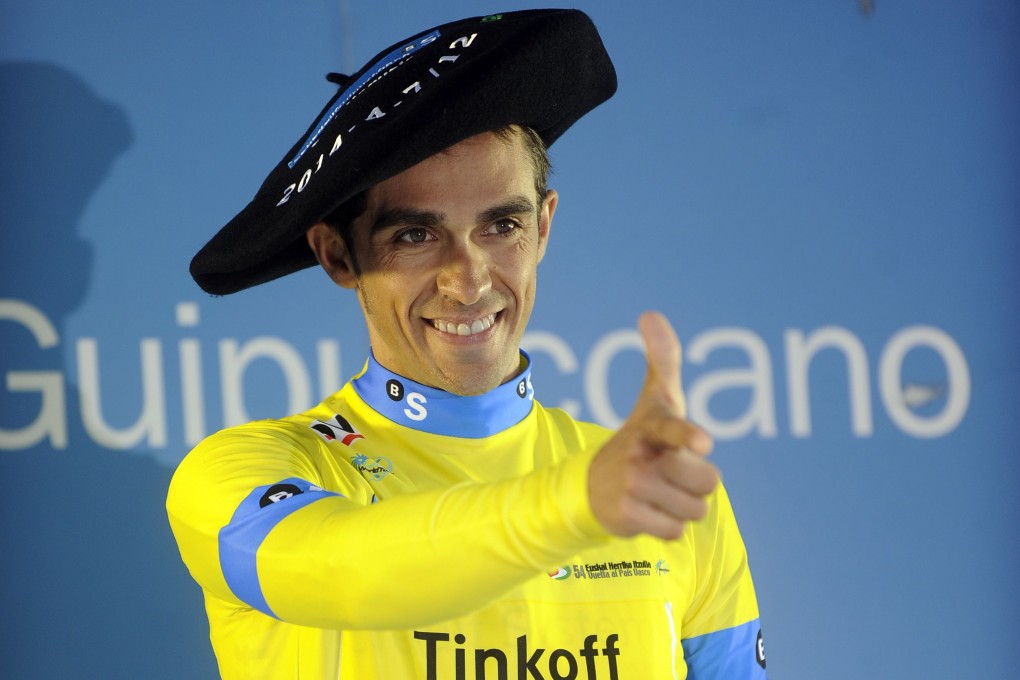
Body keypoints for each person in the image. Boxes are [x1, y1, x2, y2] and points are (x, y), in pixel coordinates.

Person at [168, 9, 769, 679]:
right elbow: (345, 571)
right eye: (415, 236)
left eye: (501, 225)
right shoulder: (236, 473)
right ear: (338, 256)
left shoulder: (653, 482)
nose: (468, 280)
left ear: (543, 228)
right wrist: (575, 504)